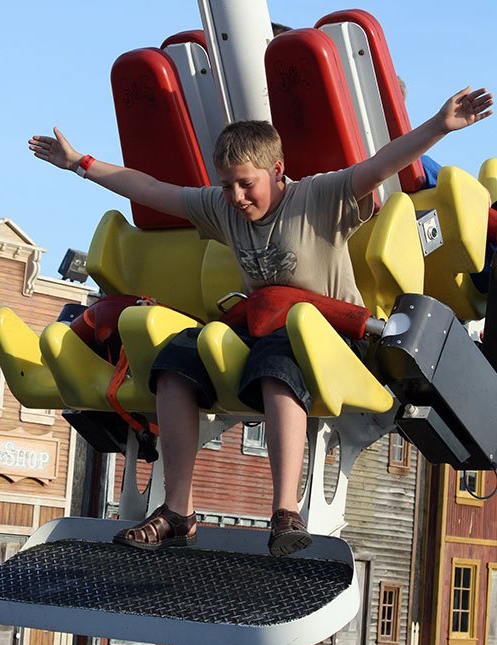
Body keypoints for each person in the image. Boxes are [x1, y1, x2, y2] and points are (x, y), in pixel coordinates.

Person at [29, 85, 492, 555]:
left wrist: (440, 125)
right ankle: (177, 511)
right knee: (174, 363)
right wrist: (80, 164)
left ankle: (285, 512)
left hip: (333, 338)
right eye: (227, 184)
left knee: (275, 366)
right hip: (265, 326)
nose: (235, 196)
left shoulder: (319, 196)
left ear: (277, 171)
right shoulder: (222, 207)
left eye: (246, 183)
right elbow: (149, 189)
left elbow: (381, 164)